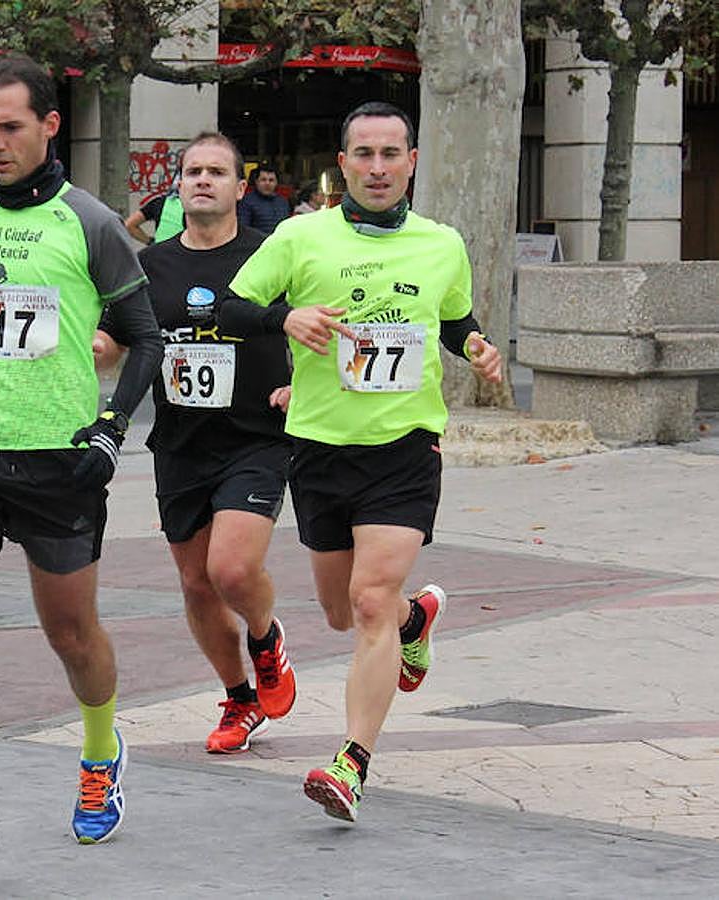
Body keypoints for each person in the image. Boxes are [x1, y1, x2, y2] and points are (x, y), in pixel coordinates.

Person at [0, 52, 164, 865]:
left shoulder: (91, 223)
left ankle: (100, 753)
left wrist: (111, 430)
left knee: (72, 634)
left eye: (11, 127)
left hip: (60, 460)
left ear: (49, 124)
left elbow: (145, 336)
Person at [219, 100, 503, 823]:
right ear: (341, 163)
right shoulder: (298, 236)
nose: (378, 168)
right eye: (364, 155)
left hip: (406, 446)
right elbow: (231, 306)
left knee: (371, 599)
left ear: (412, 162)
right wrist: (285, 317)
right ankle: (415, 624)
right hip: (319, 445)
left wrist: (475, 347)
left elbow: (454, 318)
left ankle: (352, 762)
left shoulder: (442, 244)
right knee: (344, 612)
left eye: (391, 154)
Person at [95, 131, 297, 756]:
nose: (202, 180)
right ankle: (239, 698)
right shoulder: (149, 267)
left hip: (256, 437)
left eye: (216, 171)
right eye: (192, 172)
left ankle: (266, 640)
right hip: (181, 443)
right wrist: (92, 347)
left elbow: (317, 326)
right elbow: (115, 342)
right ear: (177, 187)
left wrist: (303, 387)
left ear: (241, 187)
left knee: (231, 568)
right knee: (196, 585)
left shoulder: (272, 256)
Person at [237, 165, 289, 237]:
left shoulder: (283, 202)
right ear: (256, 182)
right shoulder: (246, 202)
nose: (267, 183)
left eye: (271, 180)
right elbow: (243, 229)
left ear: (276, 183)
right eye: (263, 180)